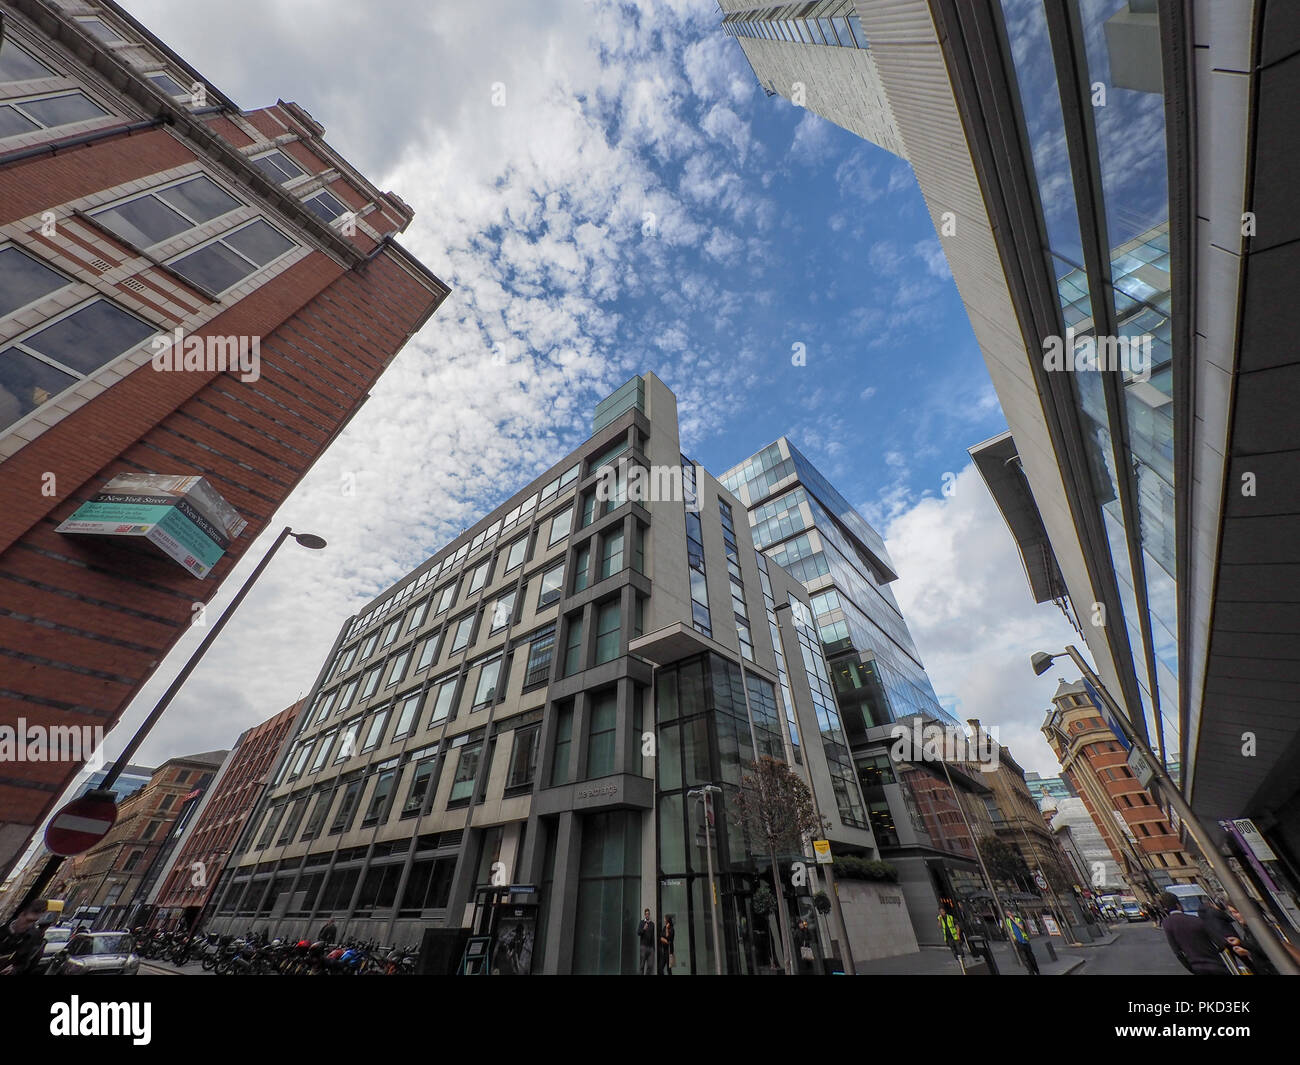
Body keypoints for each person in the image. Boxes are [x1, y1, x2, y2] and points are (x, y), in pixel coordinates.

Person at [1159, 891, 1228, 975]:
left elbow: (1177, 952)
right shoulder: (1196, 920)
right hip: (1215, 964)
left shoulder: (1167, 923)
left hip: (1197, 967)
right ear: (1178, 905)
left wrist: (1191, 968)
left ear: (1165, 908)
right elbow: (1220, 942)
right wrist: (1216, 952)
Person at [0, 899, 51, 976]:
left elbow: (25, 964)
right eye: (28, 921)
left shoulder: (32, 937)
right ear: (21, 914)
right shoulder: (2, 929)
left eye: (34, 922)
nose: (29, 925)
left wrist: (14, 969)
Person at [1004, 911, 1040, 975]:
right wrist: (1014, 941)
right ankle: (1031, 972)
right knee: (1025, 959)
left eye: (1009, 913)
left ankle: (1037, 970)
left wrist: (1013, 919)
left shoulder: (1017, 919)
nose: (1009, 915)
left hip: (1025, 941)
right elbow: (1010, 931)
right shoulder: (1007, 921)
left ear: (1012, 913)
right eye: (1007, 914)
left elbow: (1021, 927)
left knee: (1031, 958)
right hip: (1018, 942)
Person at [636, 908, 656, 975]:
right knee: (642, 965)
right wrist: (643, 929)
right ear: (645, 915)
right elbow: (638, 933)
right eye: (646, 914)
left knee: (650, 966)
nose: (647, 915)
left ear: (649, 915)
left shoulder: (652, 924)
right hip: (643, 947)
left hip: (650, 948)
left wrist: (653, 948)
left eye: (648, 914)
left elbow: (653, 936)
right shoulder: (642, 922)